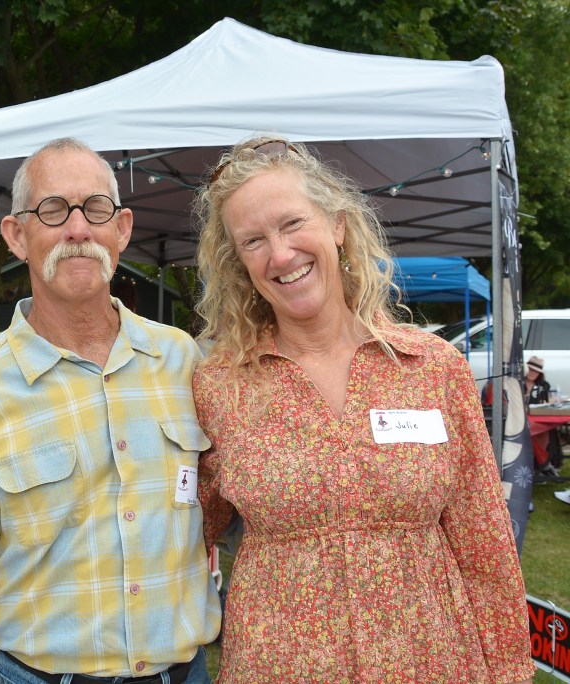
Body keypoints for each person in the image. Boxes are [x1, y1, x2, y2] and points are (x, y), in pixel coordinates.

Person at [192, 136, 534, 683]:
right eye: (253, 240)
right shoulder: (220, 386)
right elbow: (185, 530)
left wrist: (510, 671)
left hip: (433, 665)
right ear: (239, 263)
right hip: (281, 669)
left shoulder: (433, 368)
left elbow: (485, 546)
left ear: (338, 225)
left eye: (292, 224)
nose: (280, 255)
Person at [0, 138, 221, 684]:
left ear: (122, 229)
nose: (78, 229)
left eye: (95, 209)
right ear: (17, 235)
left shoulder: (181, 361)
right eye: (53, 210)